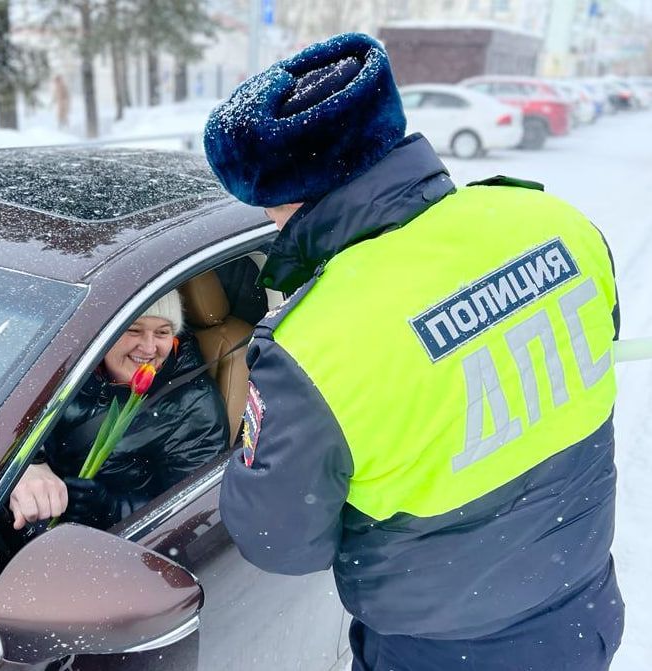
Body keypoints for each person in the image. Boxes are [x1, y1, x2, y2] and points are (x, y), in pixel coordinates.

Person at [204, 33, 624, 671]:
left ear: (292, 195)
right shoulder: (556, 223)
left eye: (265, 206)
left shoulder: (315, 344)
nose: (268, 222)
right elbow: (590, 340)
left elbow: (277, 541)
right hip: (581, 606)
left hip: (443, 649)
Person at [8, 289, 229, 531]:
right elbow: (9, 411)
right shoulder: (69, 362)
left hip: (93, 543)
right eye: (133, 329)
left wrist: (109, 508)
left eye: (162, 333)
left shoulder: (193, 403)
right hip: (8, 523)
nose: (148, 348)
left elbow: (190, 512)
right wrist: (29, 463)